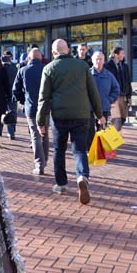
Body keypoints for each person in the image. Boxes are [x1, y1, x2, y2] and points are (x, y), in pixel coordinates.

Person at [37, 39, 104, 205]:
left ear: (53, 53)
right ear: (68, 50)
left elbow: (43, 98)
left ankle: (61, 184)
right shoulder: (82, 66)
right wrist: (99, 114)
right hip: (82, 114)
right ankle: (82, 176)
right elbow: (93, 92)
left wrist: (40, 121)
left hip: (59, 116)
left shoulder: (49, 68)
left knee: (59, 149)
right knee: (80, 149)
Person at [13, 48, 49, 175]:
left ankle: (39, 164)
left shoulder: (23, 71)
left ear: (29, 58)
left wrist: (23, 101)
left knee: (35, 136)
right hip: (45, 108)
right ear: (40, 58)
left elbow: (15, 90)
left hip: (31, 107)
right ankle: (44, 160)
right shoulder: (47, 69)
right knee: (44, 133)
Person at [91, 51, 120, 132]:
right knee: (89, 134)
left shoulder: (109, 75)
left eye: (100, 59)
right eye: (96, 59)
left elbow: (116, 89)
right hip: (90, 110)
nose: (98, 61)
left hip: (104, 108)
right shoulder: (88, 75)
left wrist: (109, 99)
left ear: (104, 61)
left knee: (102, 132)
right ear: (92, 60)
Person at [105, 46, 132, 131]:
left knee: (123, 117)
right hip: (113, 96)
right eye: (122, 53)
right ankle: (113, 137)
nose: (123, 55)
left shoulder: (124, 66)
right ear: (116, 54)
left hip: (123, 95)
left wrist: (129, 96)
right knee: (116, 119)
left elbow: (128, 81)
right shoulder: (107, 66)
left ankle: (114, 133)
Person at [1, 52, 19, 140]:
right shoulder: (15, 68)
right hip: (13, 93)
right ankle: (12, 131)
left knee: (2, 113)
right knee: (13, 112)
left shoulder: (1, 69)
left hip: (3, 94)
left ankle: (1, 132)